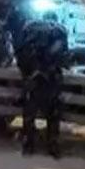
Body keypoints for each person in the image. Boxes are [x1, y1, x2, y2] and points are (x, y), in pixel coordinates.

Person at [15, 20, 68, 158]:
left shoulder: (29, 27)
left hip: (33, 77)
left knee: (29, 112)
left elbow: (20, 52)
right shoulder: (59, 30)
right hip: (49, 79)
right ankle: (52, 145)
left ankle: (28, 144)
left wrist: (29, 72)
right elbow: (62, 56)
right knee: (53, 113)